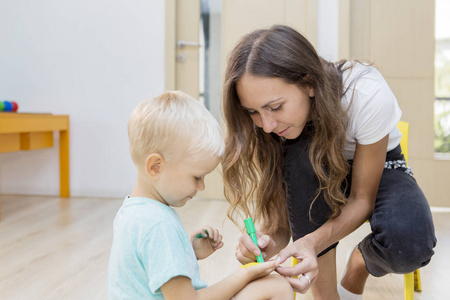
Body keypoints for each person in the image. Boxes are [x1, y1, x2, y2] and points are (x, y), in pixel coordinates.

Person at [222, 25, 437, 300]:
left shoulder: (365, 92)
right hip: (313, 165)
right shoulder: (276, 128)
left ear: (309, 84)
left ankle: (359, 264)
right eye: (253, 111)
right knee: (302, 159)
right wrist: (265, 242)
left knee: (409, 245)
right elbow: (284, 222)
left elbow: (361, 199)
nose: (266, 125)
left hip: (379, 167)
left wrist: (312, 242)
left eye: (275, 107)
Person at [107, 91, 294, 300]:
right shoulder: (158, 224)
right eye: (197, 177)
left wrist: (188, 253)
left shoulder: (132, 211)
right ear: (155, 167)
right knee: (275, 286)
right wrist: (244, 274)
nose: (202, 186)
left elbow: (146, 268)